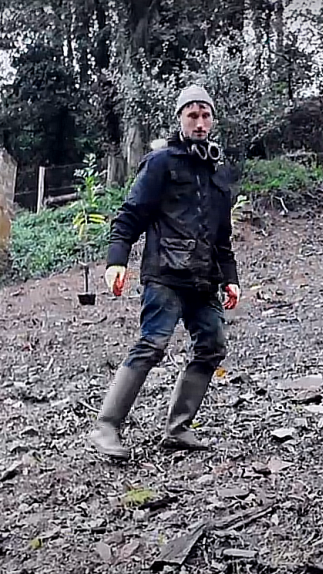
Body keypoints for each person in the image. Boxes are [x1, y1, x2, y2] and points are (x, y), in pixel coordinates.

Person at [87, 84, 241, 462]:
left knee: (212, 345)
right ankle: (106, 426)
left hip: (203, 279)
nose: (200, 122)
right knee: (152, 344)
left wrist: (230, 277)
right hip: (165, 274)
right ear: (180, 119)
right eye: (193, 115)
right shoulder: (161, 163)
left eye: (206, 115)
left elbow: (222, 235)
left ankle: (178, 428)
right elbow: (130, 214)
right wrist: (116, 260)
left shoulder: (219, 173)